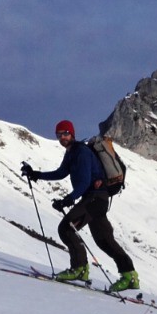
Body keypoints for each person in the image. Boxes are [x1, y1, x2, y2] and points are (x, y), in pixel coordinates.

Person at [21, 120, 139, 292]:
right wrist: (36, 174)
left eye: (65, 133)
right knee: (104, 241)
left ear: (72, 133)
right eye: (59, 134)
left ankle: (79, 269)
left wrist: (69, 199)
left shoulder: (81, 152)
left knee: (66, 228)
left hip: (94, 198)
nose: (62, 137)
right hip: (96, 200)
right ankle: (130, 276)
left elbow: (84, 181)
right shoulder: (71, 153)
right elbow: (60, 173)